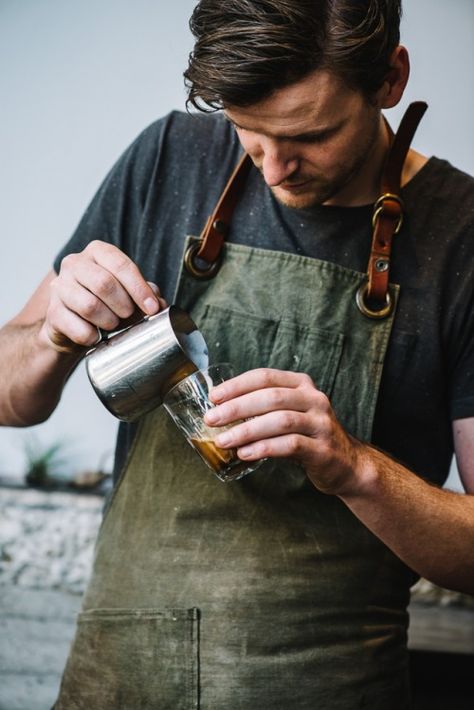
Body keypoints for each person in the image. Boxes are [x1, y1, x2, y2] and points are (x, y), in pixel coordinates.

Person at [1, 0, 473, 707]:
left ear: (390, 79)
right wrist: (48, 337)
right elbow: (11, 401)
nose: (277, 167)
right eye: (249, 132)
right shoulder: (168, 156)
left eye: (312, 135)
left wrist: (354, 467)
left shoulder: (461, 235)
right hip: (114, 685)